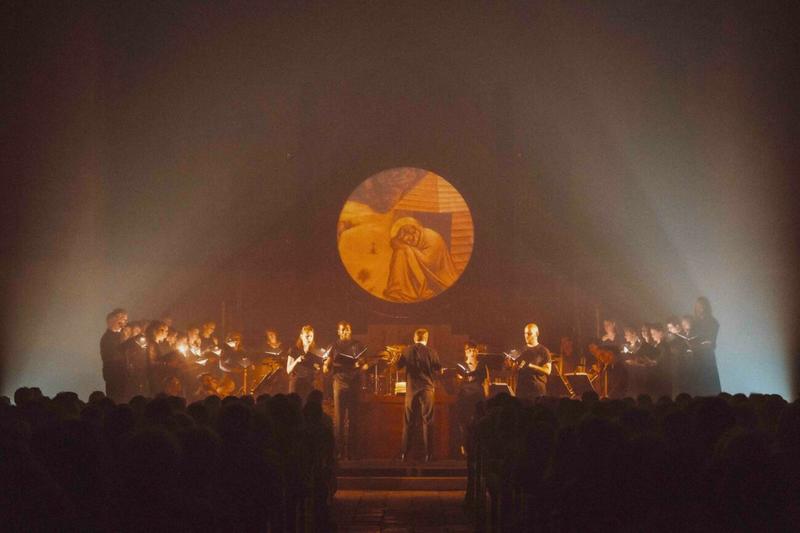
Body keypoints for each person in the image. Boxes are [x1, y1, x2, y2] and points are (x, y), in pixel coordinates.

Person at [383, 217, 459, 302]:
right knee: (400, 253)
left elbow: (429, 262)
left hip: (437, 274)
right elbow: (395, 242)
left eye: (410, 239)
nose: (408, 243)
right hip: (421, 270)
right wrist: (405, 247)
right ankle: (398, 289)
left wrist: (408, 249)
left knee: (405, 251)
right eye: (406, 241)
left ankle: (416, 290)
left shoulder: (433, 238)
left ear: (416, 233)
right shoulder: (414, 240)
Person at [323, 321, 368, 459]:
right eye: (343, 330)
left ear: (351, 330)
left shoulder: (358, 345)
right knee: (339, 419)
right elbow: (326, 367)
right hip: (339, 383)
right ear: (338, 331)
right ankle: (339, 452)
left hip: (354, 384)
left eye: (347, 330)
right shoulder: (333, 346)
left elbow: (365, 365)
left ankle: (353, 453)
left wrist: (361, 364)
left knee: (354, 419)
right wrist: (326, 366)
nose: (345, 332)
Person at [397, 328, 442, 462]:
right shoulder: (432, 352)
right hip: (427, 388)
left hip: (411, 389)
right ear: (426, 338)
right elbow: (438, 370)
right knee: (428, 420)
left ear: (414, 338)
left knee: (408, 421)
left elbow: (398, 366)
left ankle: (404, 453)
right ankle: (429, 454)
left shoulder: (407, 350)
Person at [454, 341, 489, 456]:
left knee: (477, 422)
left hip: (478, 396)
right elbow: (457, 382)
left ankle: (477, 447)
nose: (472, 352)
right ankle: (464, 446)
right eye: (469, 350)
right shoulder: (461, 365)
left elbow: (486, 382)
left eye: (474, 350)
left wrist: (487, 397)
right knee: (464, 423)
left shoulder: (482, 365)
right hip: (464, 397)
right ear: (465, 352)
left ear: (477, 351)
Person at [514, 323, 552, 401]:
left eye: (529, 333)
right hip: (522, 390)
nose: (526, 336)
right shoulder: (520, 350)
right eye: (525, 333)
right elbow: (514, 370)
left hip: (537, 391)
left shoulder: (543, 351)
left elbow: (548, 371)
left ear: (537, 334)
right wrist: (512, 366)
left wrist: (531, 366)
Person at [693, 297, 722, 395]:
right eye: (698, 306)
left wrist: (708, 343)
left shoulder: (712, 322)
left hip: (707, 356)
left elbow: (712, 339)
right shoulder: (694, 321)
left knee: (709, 381)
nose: (700, 308)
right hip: (696, 355)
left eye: (702, 306)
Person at [100, 308, 128, 402]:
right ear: (112, 320)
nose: (124, 322)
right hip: (113, 373)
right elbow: (111, 356)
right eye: (122, 318)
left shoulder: (120, 335)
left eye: (125, 319)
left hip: (123, 373)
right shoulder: (107, 338)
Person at [286, 325, 320, 401]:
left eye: (311, 336)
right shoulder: (294, 350)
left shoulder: (314, 351)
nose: (309, 338)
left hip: (309, 384)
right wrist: (296, 361)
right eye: (307, 336)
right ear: (301, 336)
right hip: (296, 384)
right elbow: (288, 370)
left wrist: (317, 367)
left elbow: (316, 370)